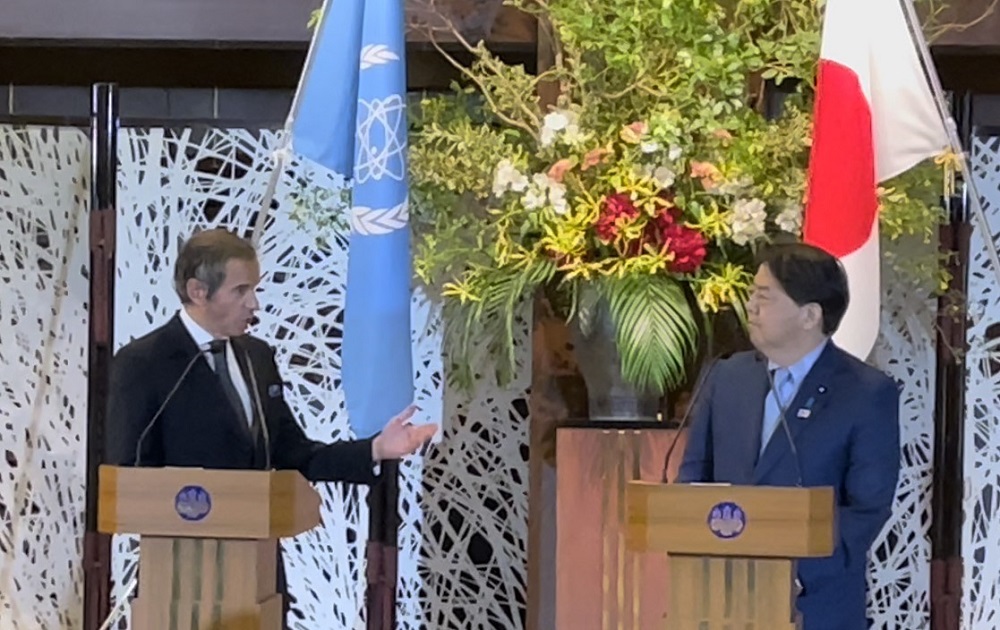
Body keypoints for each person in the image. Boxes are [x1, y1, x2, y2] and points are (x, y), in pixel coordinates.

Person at [105, 229, 437, 621]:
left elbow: (293, 452)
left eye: (254, 289)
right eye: (241, 291)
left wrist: (376, 450)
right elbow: (126, 474)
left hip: (258, 577)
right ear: (198, 291)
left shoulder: (256, 356)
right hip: (181, 580)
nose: (254, 304)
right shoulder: (143, 363)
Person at [677, 242, 900, 630]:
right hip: (721, 601)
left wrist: (793, 575)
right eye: (751, 295)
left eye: (764, 297)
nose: (751, 307)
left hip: (815, 605)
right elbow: (694, 480)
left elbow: (865, 508)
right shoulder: (726, 377)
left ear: (809, 315)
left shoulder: (865, 393)